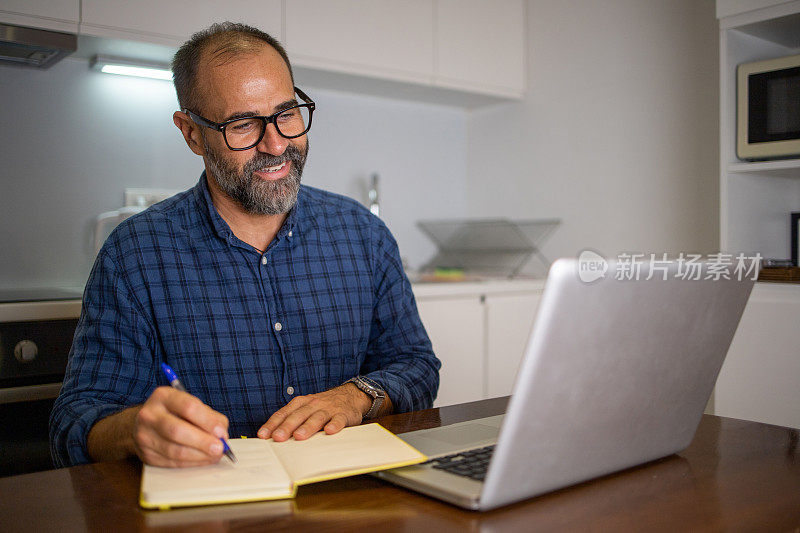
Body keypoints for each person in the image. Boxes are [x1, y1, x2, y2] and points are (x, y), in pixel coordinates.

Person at [50, 22, 440, 468]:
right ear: (191, 133)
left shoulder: (363, 235)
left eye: (287, 113)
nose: (276, 143)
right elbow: (75, 422)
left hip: (353, 497)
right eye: (243, 124)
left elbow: (417, 366)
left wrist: (356, 398)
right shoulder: (135, 255)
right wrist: (134, 430)